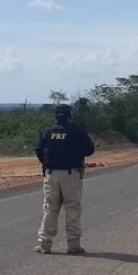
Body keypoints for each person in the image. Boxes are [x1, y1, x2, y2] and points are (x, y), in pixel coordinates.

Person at [33, 103, 96, 255]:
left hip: (51, 174)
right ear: (70, 115)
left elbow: (38, 150)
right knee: (72, 208)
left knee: (50, 209)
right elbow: (89, 150)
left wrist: (48, 162)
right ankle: (73, 245)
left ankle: (44, 244)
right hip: (71, 175)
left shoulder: (46, 132)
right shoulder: (77, 131)